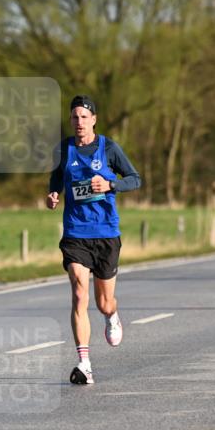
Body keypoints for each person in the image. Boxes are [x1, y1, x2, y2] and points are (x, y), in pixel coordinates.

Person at [47, 95, 142, 385]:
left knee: (103, 302)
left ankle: (111, 315)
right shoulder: (62, 149)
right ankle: (84, 364)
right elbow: (56, 179)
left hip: (106, 234)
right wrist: (53, 195)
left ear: (94, 120)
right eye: (74, 117)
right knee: (79, 293)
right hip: (76, 233)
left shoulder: (108, 148)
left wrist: (111, 183)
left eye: (84, 117)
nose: (79, 122)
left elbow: (135, 179)